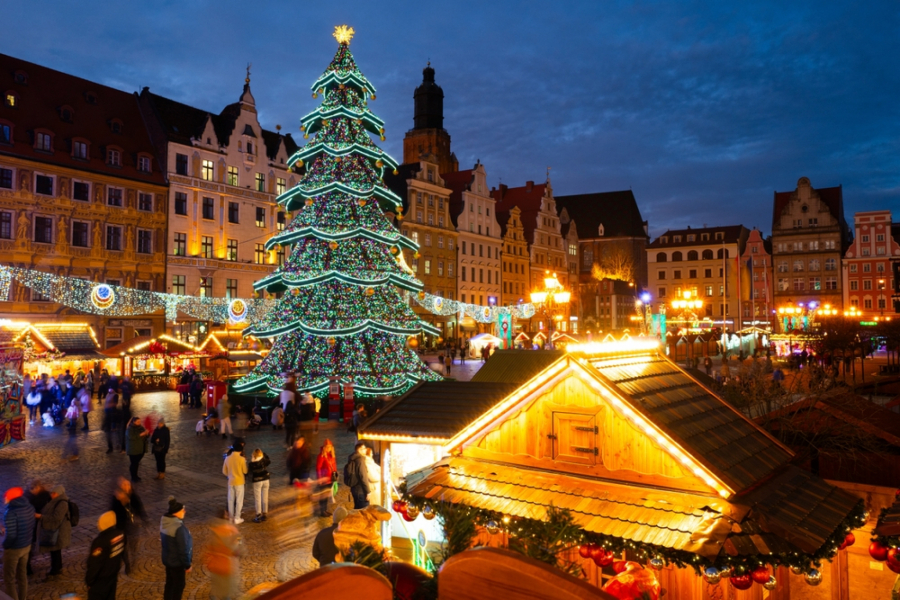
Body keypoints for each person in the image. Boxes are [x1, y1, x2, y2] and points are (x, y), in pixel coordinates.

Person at [2, 487, 35, 600]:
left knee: (9, 579)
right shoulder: (30, 507)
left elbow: (11, 535)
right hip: (26, 546)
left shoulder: (11, 513)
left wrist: (5, 545)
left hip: (14, 549)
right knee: (22, 575)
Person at [85, 511, 125, 600]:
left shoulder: (100, 541)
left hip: (100, 582)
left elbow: (95, 564)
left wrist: (89, 582)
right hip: (112, 577)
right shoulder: (120, 534)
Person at [111, 476, 146, 574]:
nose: (125, 486)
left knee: (133, 546)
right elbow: (113, 511)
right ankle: (127, 564)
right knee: (122, 547)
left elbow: (139, 508)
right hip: (121, 526)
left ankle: (133, 562)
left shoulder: (133, 496)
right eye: (123, 485)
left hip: (133, 525)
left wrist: (144, 519)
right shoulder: (116, 497)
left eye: (127, 484)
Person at [161, 496, 193, 600]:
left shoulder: (165, 521)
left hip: (168, 560)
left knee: (170, 584)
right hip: (177, 563)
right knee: (178, 586)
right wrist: (187, 565)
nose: (185, 511)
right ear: (176, 512)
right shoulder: (179, 528)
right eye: (182, 510)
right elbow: (183, 550)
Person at [38, 485, 72, 576]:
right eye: (52, 493)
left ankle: (56, 569)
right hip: (55, 528)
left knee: (55, 550)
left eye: (54, 493)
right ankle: (57, 567)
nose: (52, 495)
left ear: (59, 494)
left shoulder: (62, 503)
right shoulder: (54, 501)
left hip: (59, 530)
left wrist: (41, 517)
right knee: (55, 550)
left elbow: (56, 517)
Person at [208, 522, 241, 600]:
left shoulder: (214, 532)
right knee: (226, 591)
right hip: (227, 566)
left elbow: (208, 549)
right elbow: (238, 543)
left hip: (215, 565)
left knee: (217, 586)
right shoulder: (232, 530)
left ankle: (214, 596)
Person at [24, 480, 50, 576]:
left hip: (37, 524)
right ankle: (27, 567)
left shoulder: (42, 496)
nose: (35, 490)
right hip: (30, 525)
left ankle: (27, 567)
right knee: (29, 546)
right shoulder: (29, 497)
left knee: (32, 545)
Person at [222, 440, 248, 524]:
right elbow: (245, 471)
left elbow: (224, 471)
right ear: (240, 450)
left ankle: (231, 517)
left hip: (231, 481)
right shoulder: (241, 459)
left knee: (230, 500)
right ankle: (237, 517)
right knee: (239, 500)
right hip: (239, 481)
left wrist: (229, 474)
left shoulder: (227, 458)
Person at [315, 439, 339, 517]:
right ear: (324, 447)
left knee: (326, 496)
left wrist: (336, 475)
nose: (328, 448)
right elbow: (318, 468)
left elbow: (334, 466)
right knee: (323, 497)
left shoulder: (331, 455)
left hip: (330, 479)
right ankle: (322, 511)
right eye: (327, 447)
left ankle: (325, 510)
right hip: (324, 480)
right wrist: (319, 479)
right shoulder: (321, 456)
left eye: (330, 447)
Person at [345, 442, 370, 509]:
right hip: (361, 491)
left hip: (354, 489)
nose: (366, 450)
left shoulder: (352, 458)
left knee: (357, 510)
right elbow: (363, 476)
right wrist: (368, 492)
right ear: (359, 450)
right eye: (364, 448)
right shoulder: (360, 460)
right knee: (364, 512)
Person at [249, 449, 271, 523]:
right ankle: (265, 514)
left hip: (257, 481)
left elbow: (249, 472)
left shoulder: (251, 464)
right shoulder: (264, 461)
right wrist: (263, 454)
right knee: (265, 497)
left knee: (257, 498)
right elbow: (268, 460)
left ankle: (258, 515)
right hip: (266, 479)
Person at [126, 416, 149, 482]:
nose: (139, 422)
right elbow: (131, 437)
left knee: (136, 463)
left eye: (140, 421)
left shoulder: (141, 427)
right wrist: (140, 435)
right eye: (138, 421)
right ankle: (133, 477)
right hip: (133, 449)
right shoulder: (130, 429)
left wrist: (147, 433)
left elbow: (145, 435)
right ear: (134, 422)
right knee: (134, 463)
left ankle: (136, 476)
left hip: (140, 448)